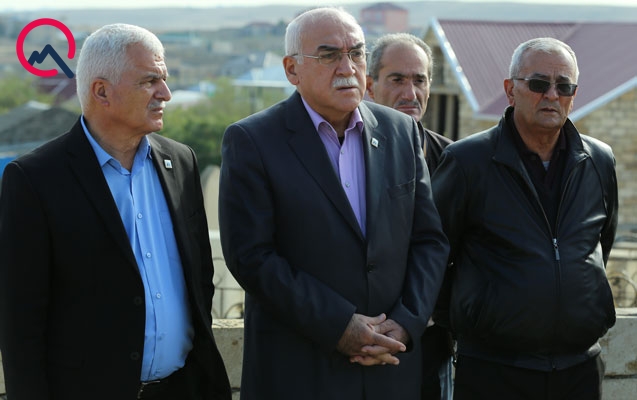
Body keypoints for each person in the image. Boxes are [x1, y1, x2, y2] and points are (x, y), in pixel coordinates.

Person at [218, 7, 449, 400]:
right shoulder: (253, 141)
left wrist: (406, 322)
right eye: (329, 56)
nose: (347, 68)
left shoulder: (401, 131)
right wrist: (339, 325)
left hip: (390, 369)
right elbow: (251, 257)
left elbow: (429, 240)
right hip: (300, 372)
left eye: (356, 53)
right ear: (292, 69)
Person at [0, 24, 231, 400]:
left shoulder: (181, 161)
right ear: (101, 91)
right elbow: (20, 323)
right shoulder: (34, 179)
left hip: (184, 390)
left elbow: (199, 277)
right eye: (150, 81)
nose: (165, 93)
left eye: (164, 79)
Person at [431, 37, 618, 400]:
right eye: (538, 83)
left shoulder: (599, 161)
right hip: (493, 370)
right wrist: (467, 319)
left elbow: (599, 245)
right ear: (510, 90)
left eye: (564, 86)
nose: (552, 95)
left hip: (579, 369)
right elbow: (433, 252)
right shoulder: (467, 162)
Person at [366, 33, 454, 400]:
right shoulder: (347, 154)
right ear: (369, 85)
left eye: (419, 80)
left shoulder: (453, 160)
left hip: (430, 345)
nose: (410, 93)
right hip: (362, 339)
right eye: (397, 79)